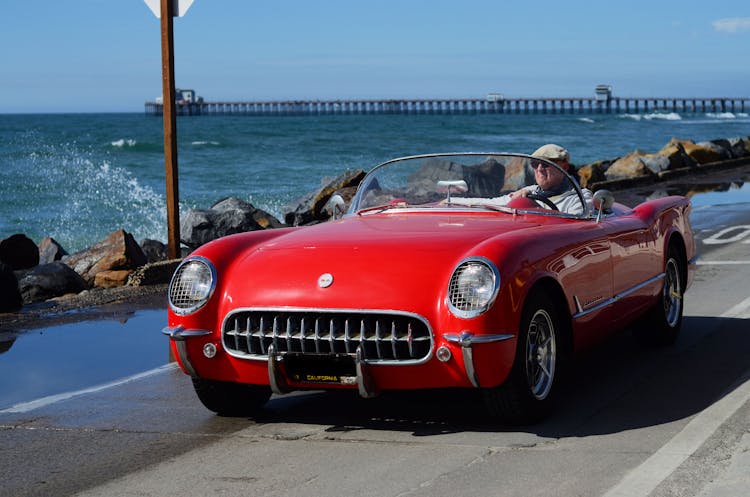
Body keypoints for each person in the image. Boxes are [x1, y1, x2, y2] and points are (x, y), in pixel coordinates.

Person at [509, 144, 593, 215]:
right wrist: (516, 200)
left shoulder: (580, 197)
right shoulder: (528, 191)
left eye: (545, 164)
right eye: (535, 164)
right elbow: (496, 204)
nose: (539, 169)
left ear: (564, 167)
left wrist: (534, 207)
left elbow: (575, 228)